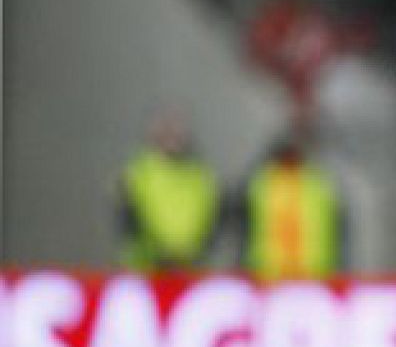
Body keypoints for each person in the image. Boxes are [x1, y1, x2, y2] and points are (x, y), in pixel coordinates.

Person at [118, 109, 220, 272]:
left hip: (188, 269)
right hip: (146, 271)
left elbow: (212, 218)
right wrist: (154, 251)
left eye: (176, 131)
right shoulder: (138, 173)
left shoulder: (200, 175)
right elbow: (128, 221)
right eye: (166, 130)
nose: (172, 137)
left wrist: (196, 252)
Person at [241, 125, 344, 282]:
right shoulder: (262, 183)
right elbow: (246, 227)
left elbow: (335, 226)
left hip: (312, 274)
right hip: (269, 276)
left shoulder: (318, 183)